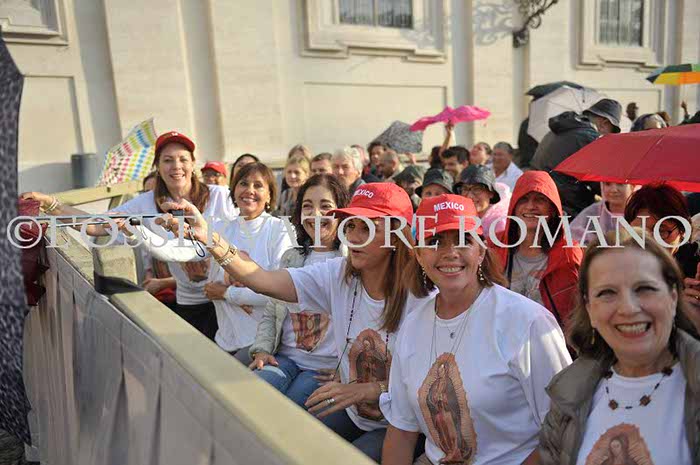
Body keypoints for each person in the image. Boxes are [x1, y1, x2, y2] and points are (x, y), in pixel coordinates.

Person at [155, 182, 428, 462]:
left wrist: (367, 389)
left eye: (368, 228)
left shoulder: (422, 298)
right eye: (351, 226)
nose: (355, 237)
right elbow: (262, 280)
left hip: (398, 425)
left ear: (396, 236)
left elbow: (425, 387)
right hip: (352, 411)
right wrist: (209, 238)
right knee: (286, 440)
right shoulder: (338, 275)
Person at [381, 194, 571, 465]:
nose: (450, 252)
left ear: (481, 251)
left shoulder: (528, 322)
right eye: (435, 241)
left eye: (463, 240)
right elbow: (402, 430)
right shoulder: (412, 325)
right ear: (419, 255)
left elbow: (564, 428)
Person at [22, 131, 238, 340]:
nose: (176, 166)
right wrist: (51, 204)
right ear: (157, 166)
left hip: (228, 296)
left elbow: (247, 235)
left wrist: (235, 285)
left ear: (193, 163)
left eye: (183, 159)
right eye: (168, 160)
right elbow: (96, 226)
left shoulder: (221, 196)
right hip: (190, 302)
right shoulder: (144, 203)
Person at [539, 229, 700, 464]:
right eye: (607, 292)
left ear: (673, 296)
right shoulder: (567, 393)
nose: (628, 308)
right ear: (589, 309)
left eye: (644, 288)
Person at [134, 162, 292, 360]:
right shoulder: (221, 228)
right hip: (224, 341)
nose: (249, 190)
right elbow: (176, 252)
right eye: (243, 183)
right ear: (234, 190)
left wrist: (226, 293)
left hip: (262, 344)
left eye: (258, 185)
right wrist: (135, 231)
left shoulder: (279, 230)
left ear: (269, 195)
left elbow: (278, 293)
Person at [249, 174, 350, 406]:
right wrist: (262, 350)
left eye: (326, 206)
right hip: (284, 359)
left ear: (342, 212)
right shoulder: (291, 257)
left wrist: (349, 372)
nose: (316, 214)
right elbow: (272, 311)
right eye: (307, 206)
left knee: (293, 406)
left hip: (324, 369)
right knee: (255, 393)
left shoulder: (351, 260)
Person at [490, 171, 583, 330]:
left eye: (540, 199)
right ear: (513, 206)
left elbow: (579, 313)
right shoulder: (493, 247)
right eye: (524, 199)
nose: (531, 206)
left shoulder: (569, 254)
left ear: (553, 208)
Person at [623, 183, 700, 333]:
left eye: (662, 231)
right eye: (638, 232)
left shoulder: (694, 274)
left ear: (683, 232)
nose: (650, 241)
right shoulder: (612, 273)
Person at [531, 110, 601, 217]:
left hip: (544, 198)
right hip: (570, 206)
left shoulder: (552, 133)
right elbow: (599, 182)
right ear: (603, 122)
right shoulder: (587, 137)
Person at [570, 182, 635, 246]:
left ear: (632, 187)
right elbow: (573, 235)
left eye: (620, 184)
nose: (613, 190)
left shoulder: (638, 212)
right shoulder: (593, 211)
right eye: (607, 184)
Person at [453, 164, 508, 235]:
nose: (469, 196)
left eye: (477, 189)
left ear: (491, 193)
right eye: (465, 189)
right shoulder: (456, 218)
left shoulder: (501, 224)